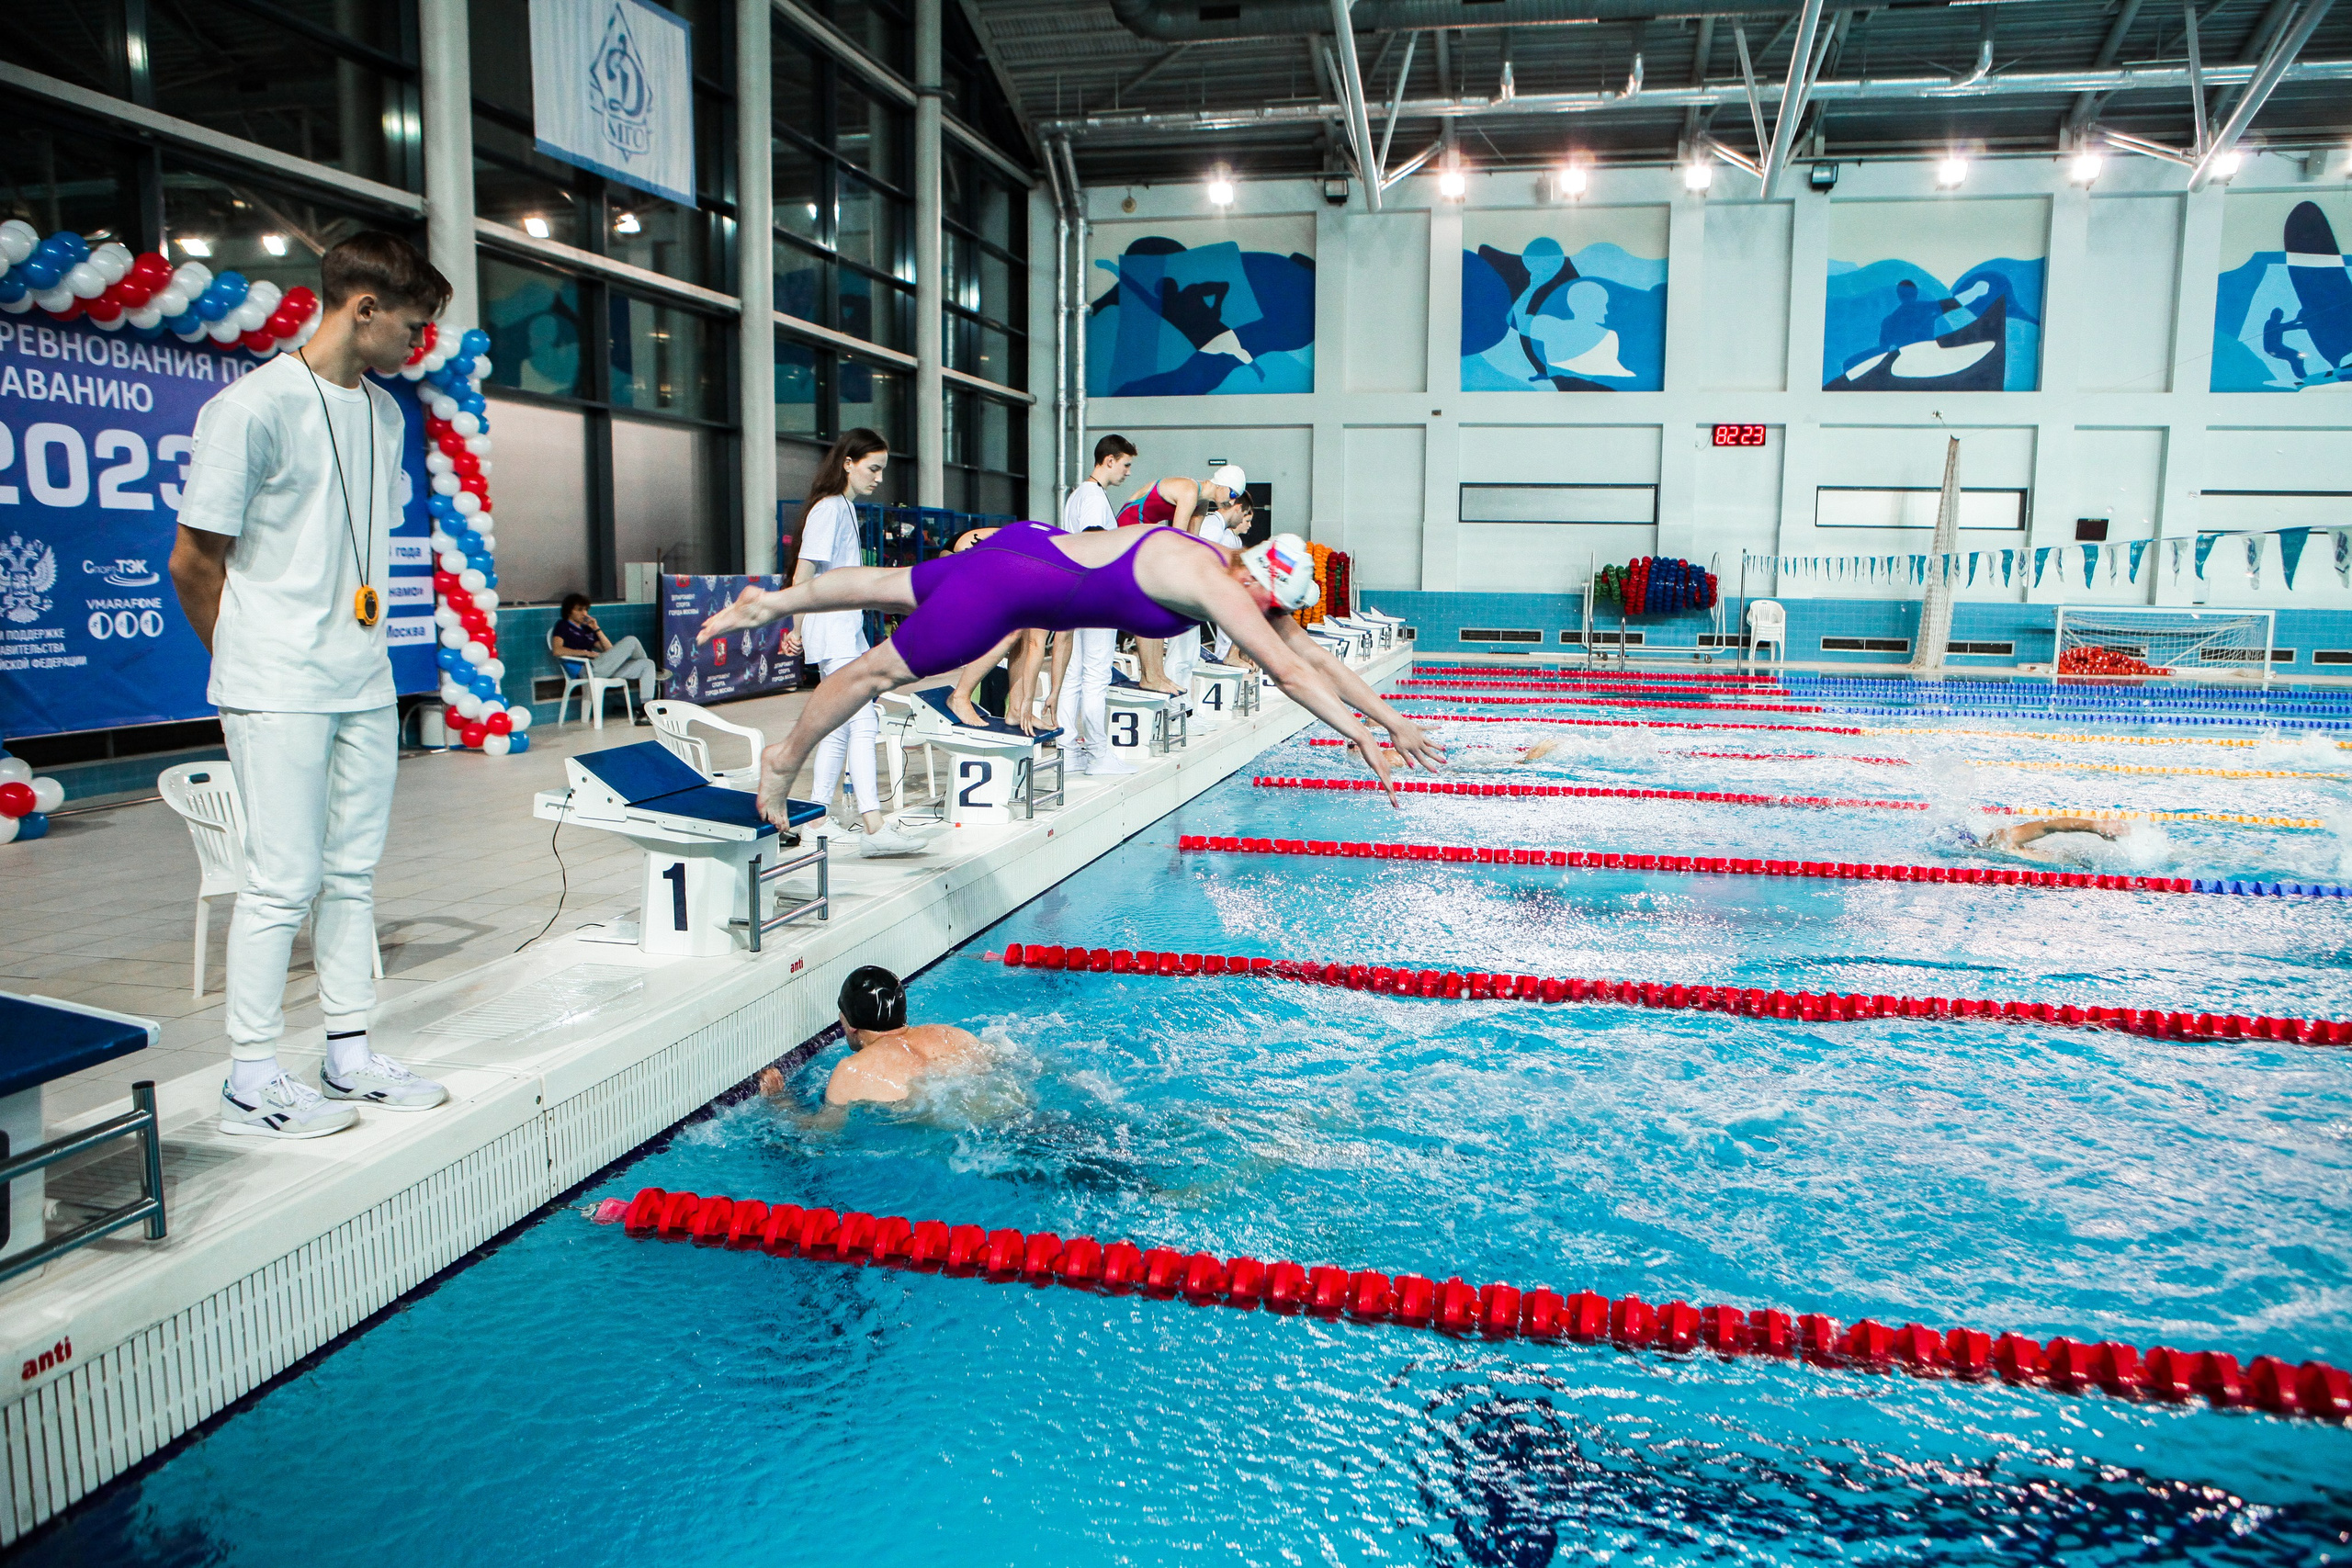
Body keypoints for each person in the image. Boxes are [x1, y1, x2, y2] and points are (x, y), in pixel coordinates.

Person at [169, 231, 455, 1138]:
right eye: (412, 326)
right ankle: (251, 1077)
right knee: (280, 882)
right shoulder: (250, 409)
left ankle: (348, 1052)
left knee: (351, 878)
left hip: (363, 678)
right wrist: (249, 662)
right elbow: (193, 561)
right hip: (276, 683)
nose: (420, 345)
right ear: (361, 309)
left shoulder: (384, 416)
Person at [695, 523, 1442, 828]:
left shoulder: (1228, 575)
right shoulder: (1210, 580)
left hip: (1027, 546)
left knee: (886, 581)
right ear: (1260, 582)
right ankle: (784, 757)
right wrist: (1358, 735)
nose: (1270, 617)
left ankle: (774, 601)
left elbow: (1315, 657)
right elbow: (1285, 671)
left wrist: (1394, 721)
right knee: (867, 674)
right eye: (1276, 605)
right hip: (1005, 588)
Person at [781, 429, 925, 859]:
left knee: (840, 726)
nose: (879, 478)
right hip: (833, 631)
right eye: (873, 468)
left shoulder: (843, 507)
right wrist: (796, 628)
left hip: (845, 629)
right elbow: (804, 573)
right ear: (848, 463)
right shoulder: (828, 509)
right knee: (863, 722)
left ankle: (817, 821)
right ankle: (873, 826)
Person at [754, 965, 982, 1108]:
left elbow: (821, 1135)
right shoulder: (954, 1035)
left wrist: (779, 1100)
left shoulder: (852, 1070)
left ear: (850, 1024)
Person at [1115, 464, 1248, 692]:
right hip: (1127, 528)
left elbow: (1191, 544)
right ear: (1223, 485)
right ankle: (1149, 675)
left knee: (1158, 606)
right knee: (1149, 604)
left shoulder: (1202, 502)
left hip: (1145, 535)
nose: (1231, 502)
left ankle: (1157, 673)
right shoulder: (1189, 491)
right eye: (1232, 494)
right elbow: (1176, 541)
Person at [1056, 434, 1136, 773]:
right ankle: (1099, 754)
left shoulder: (1077, 495)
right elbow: (1092, 543)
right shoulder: (1091, 497)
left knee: (1074, 674)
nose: (1128, 473)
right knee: (1095, 675)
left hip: (1076, 593)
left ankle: (1068, 751)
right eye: (1126, 465)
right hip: (1096, 594)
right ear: (1109, 461)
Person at [551, 593, 657, 720]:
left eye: (586, 609)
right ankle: (649, 668)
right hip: (587, 669)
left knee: (648, 664)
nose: (584, 613)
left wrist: (596, 629)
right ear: (569, 611)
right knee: (631, 640)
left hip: (602, 667)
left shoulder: (587, 629)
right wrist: (586, 653)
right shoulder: (563, 625)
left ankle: (646, 710)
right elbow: (557, 650)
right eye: (579, 610)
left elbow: (609, 650)